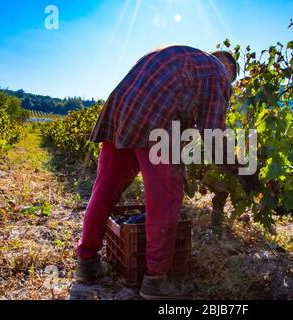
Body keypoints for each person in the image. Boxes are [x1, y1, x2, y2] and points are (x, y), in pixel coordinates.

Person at [73, 45, 254, 299]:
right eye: (232, 79)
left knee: (104, 188)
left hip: (119, 110)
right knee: (166, 196)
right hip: (154, 119)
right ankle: (156, 280)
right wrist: (240, 168)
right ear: (229, 68)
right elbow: (213, 134)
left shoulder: (183, 57)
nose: (229, 85)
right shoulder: (218, 73)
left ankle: (87, 263)